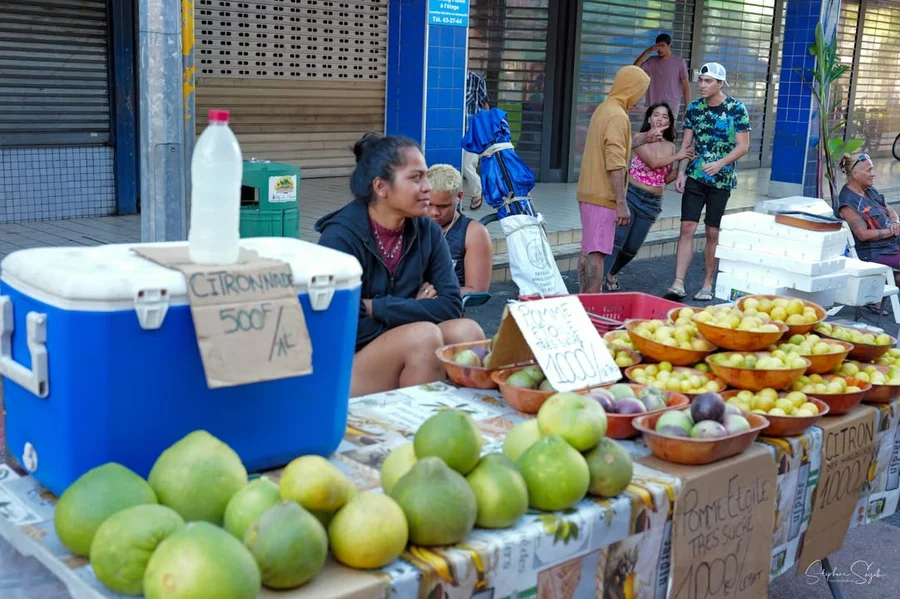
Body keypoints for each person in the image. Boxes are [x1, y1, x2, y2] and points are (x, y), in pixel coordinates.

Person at [316, 134, 485, 397]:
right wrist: (415, 311)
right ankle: (419, 431)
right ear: (381, 187)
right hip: (347, 366)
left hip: (403, 341)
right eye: (416, 178)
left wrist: (378, 306)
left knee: (467, 332)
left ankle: (466, 423)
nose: (427, 187)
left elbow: (451, 305)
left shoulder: (428, 231)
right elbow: (345, 324)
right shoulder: (340, 238)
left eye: (426, 176)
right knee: (422, 337)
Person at [664, 62, 750, 302]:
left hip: (721, 180)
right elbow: (687, 145)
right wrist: (681, 172)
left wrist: (721, 163)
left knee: (712, 231)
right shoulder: (694, 108)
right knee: (686, 227)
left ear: (720, 84)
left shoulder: (736, 108)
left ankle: (707, 283)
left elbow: (743, 146)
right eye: (701, 80)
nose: (702, 85)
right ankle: (678, 283)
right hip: (696, 175)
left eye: (708, 81)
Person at [576, 65, 655, 293]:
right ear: (630, 88)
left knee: (588, 249)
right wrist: (621, 203)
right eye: (640, 91)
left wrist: (645, 138)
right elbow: (615, 162)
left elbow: (618, 146)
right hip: (603, 197)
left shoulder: (605, 109)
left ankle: (584, 300)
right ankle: (592, 302)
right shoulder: (618, 117)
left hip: (588, 192)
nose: (641, 98)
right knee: (597, 253)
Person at [604, 103, 692, 291]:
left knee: (632, 248)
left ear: (670, 122)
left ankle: (611, 274)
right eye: (656, 115)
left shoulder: (670, 147)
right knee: (617, 242)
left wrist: (683, 168)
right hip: (631, 196)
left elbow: (663, 177)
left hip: (652, 203)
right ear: (649, 118)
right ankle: (599, 283)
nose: (660, 119)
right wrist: (678, 157)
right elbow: (652, 163)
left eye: (665, 117)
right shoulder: (639, 139)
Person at [426, 164, 493, 295]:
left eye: (443, 206)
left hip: (445, 310)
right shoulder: (409, 223)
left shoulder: (474, 233)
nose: (434, 212)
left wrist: (433, 296)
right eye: (428, 204)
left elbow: (477, 290)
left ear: (459, 197)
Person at [837, 153, 900, 286]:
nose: (874, 174)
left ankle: (883, 288)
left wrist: (895, 222)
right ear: (854, 174)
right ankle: (884, 285)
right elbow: (863, 234)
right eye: (869, 170)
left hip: (892, 245)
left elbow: (889, 210)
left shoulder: (869, 190)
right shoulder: (848, 202)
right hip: (876, 252)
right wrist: (892, 231)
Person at [634, 33, 691, 121]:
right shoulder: (651, 61)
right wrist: (647, 52)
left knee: (667, 134)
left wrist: (687, 108)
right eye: (658, 46)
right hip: (652, 107)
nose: (659, 49)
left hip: (671, 107)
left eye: (662, 46)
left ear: (669, 46)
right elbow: (634, 69)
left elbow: (686, 86)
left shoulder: (679, 62)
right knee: (651, 133)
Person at [463, 69, 490, 211]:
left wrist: (486, 128)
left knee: (467, 165)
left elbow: (484, 104)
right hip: (450, 129)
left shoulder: (476, 79)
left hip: (471, 130)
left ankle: (477, 193)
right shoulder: (449, 76)